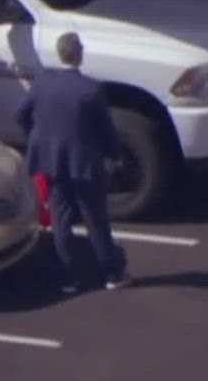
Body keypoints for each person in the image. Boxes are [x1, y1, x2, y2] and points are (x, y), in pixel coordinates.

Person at [15, 32, 129, 294]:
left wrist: (37, 138)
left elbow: (20, 114)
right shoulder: (90, 89)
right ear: (80, 54)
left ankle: (69, 277)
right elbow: (106, 130)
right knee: (96, 220)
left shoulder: (43, 83)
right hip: (84, 166)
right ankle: (112, 273)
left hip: (52, 163)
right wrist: (115, 154)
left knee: (61, 220)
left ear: (60, 53)